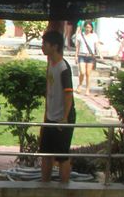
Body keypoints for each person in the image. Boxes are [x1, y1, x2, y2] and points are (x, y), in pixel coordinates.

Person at [40, 30, 76, 183]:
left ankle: (64, 188)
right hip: (50, 116)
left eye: (45, 44)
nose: (42, 47)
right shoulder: (50, 63)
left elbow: (68, 94)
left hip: (63, 117)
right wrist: (46, 114)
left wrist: (65, 117)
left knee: (62, 156)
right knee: (46, 154)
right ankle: (44, 185)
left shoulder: (63, 67)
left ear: (54, 46)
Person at [75, 21, 99, 94]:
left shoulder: (94, 36)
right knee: (82, 72)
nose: (88, 29)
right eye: (86, 27)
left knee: (88, 74)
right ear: (84, 27)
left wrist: (99, 53)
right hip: (81, 55)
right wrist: (76, 56)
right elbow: (77, 47)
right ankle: (80, 85)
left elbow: (96, 46)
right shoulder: (80, 35)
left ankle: (87, 89)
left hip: (90, 56)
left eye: (89, 27)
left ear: (91, 28)